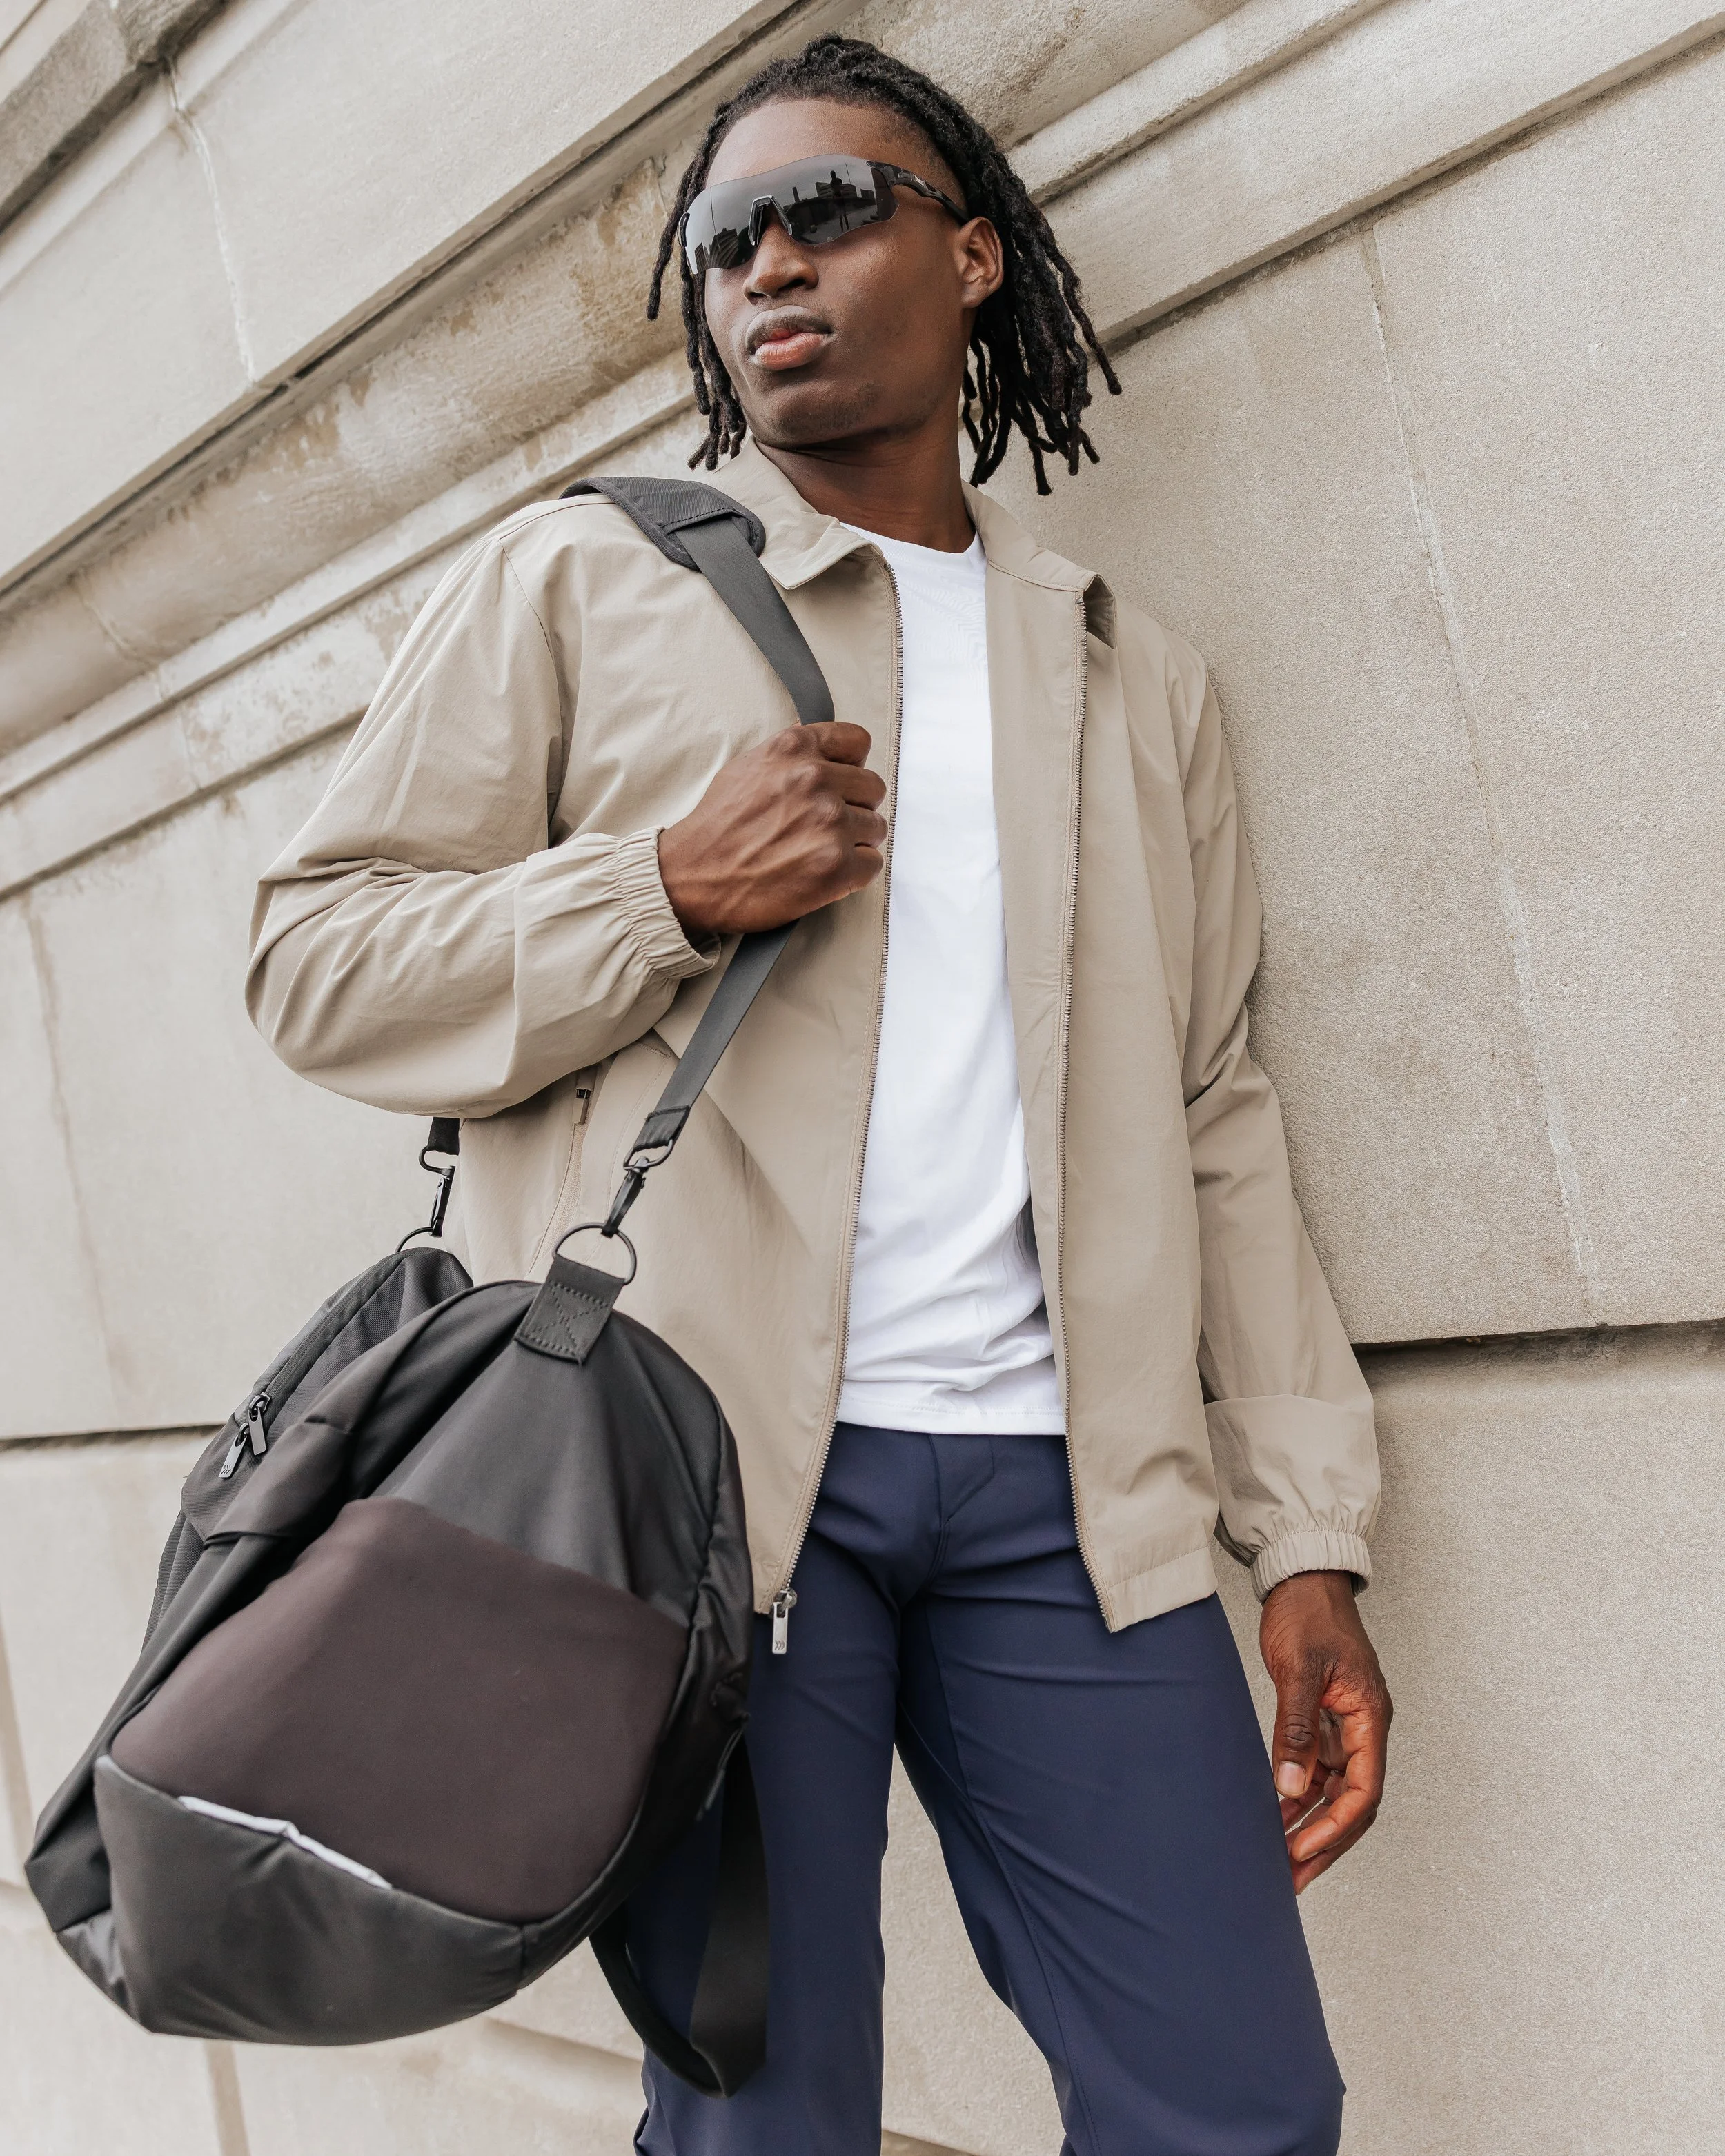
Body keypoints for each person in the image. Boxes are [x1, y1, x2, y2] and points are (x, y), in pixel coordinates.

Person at [248, 34, 1390, 2156]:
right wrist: (660, 888)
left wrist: (1306, 1532)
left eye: (827, 208)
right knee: (766, 2125)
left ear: (969, 259)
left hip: (1073, 1506)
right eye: (724, 236)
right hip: (694, 1511)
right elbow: (310, 956)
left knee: (1236, 2108)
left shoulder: (1130, 668)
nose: (766, 260)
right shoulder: (580, 579)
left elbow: (1216, 1105)